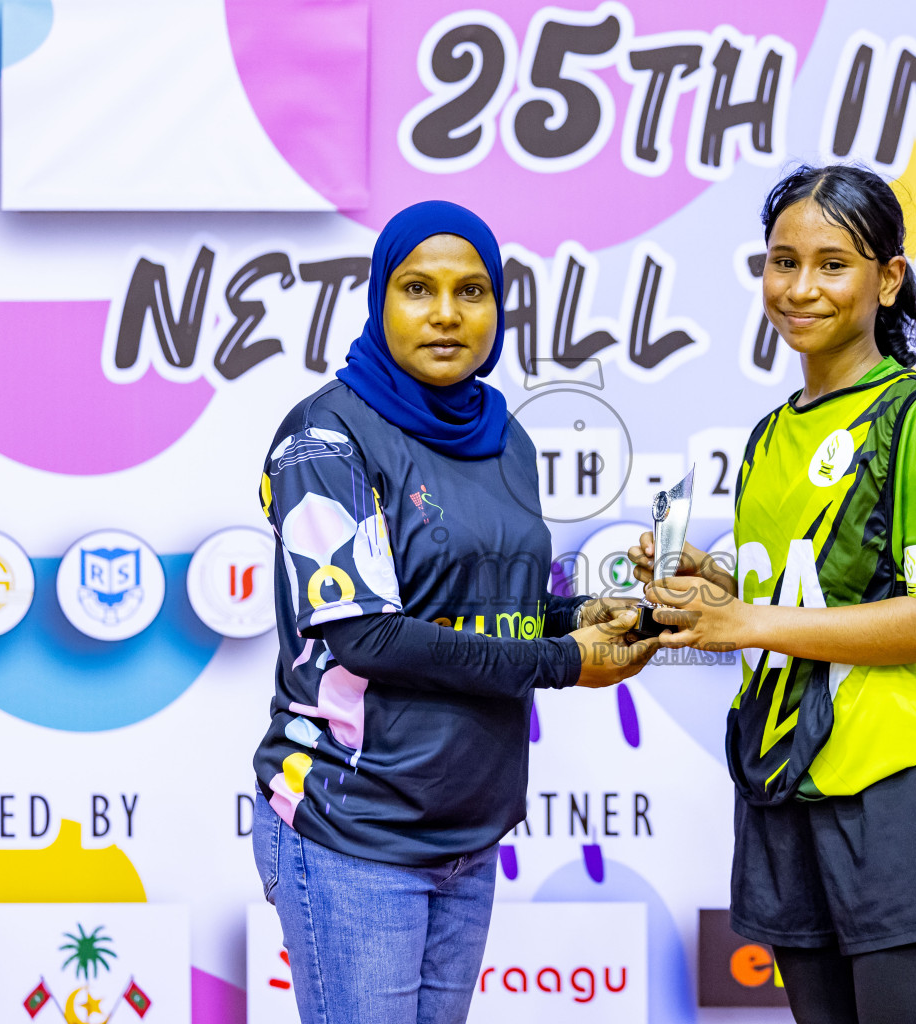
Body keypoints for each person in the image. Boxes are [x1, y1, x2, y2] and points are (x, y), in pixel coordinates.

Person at [252, 200, 657, 1024]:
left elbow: (489, 604)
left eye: (471, 291)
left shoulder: (501, 435)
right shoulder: (326, 440)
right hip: (353, 824)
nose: (445, 314)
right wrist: (566, 661)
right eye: (417, 289)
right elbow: (370, 636)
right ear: (378, 301)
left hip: (467, 833)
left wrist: (599, 614)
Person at [630, 164, 916, 1024]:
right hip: (783, 786)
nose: (799, 288)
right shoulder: (769, 434)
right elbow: (803, 589)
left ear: (889, 279)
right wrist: (709, 581)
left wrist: (746, 617)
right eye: (781, 261)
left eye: (833, 264)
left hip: (897, 792)